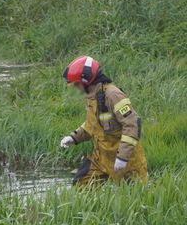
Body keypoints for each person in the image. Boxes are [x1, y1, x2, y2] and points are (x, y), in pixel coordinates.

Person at [61, 56, 147, 186]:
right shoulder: (92, 97)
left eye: (77, 83)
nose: (76, 87)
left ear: (87, 80)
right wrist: (74, 137)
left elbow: (132, 124)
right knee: (80, 184)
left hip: (127, 161)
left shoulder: (113, 95)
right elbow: (92, 124)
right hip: (101, 158)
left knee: (133, 198)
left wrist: (123, 157)